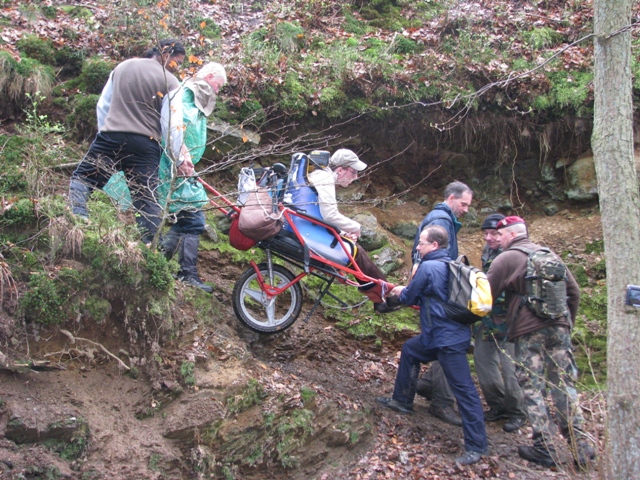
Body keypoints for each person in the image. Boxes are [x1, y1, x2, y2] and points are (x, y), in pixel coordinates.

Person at [487, 216, 596, 468]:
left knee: (533, 388)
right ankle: (581, 448)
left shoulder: (506, 259)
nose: (498, 240)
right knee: (564, 387)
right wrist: (567, 324)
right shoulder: (550, 254)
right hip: (561, 329)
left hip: (529, 332)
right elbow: (574, 292)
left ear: (512, 235)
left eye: (500, 235)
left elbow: (485, 297)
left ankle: (544, 448)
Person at [376, 225, 487, 466]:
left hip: (447, 341)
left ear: (434, 245)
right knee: (410, 350)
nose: (417, 246)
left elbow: (408, 297)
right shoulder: (448, 266)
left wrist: (397, 292)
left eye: (422, 243)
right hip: (437, 335)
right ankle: (402, 400)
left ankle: (477, 446)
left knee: (464, 390)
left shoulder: (429, 267)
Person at [68, 39, 185, 243]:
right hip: (145, 145)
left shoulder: (123, 67)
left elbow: (102, 105)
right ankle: (149, 248)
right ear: (166, 55)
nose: (178, 67)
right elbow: (172, 124)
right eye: (177, 62)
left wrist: (107, 130)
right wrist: (178, 159)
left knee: (83, 179)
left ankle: (77, 218)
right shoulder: (171, 82)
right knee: (146, 199)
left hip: (111, 136)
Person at [156, 62, 227, 293]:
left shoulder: (196, 98)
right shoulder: (185, 95)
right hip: (175, 166)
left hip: (183, 167)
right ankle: (186, 274)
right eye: (217, 86)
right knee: (193, 220)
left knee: (187, 220)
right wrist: (182, 156)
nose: (217, 91)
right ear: (208, 76)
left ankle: (158, 264)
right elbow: (175, 127)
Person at [413, 181, 473, 426]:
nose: (466, 209)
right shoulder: (441, 219)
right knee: (449, 341)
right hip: (440, 295)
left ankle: (428, 384)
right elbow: (429, 253)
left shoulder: (441, 217)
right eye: (464, 204)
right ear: (451, 198)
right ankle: (442, 401)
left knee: (442, 340)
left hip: (435, 293)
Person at [308, 149, 396, 313]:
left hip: (310, 229)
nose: (355, 177)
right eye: (353, 172)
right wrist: (355, 227)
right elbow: (330, 215)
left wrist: (341, 232)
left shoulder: (320, 176)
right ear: (340, 170)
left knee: (354, 251)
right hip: (310, 235)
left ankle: (381, 298)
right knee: (356, 252)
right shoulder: (325, 178)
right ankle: (387, 294)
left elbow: (321, 214)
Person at [474, 213, 527, 432]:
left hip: (511, 321)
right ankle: (498, 405)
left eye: (494, 233)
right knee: (483, 361)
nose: (488, 238)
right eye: (485, 233)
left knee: (510, 367)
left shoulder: (516, 254)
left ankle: (517, 412)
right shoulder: (489, 252)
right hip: (488, 319)